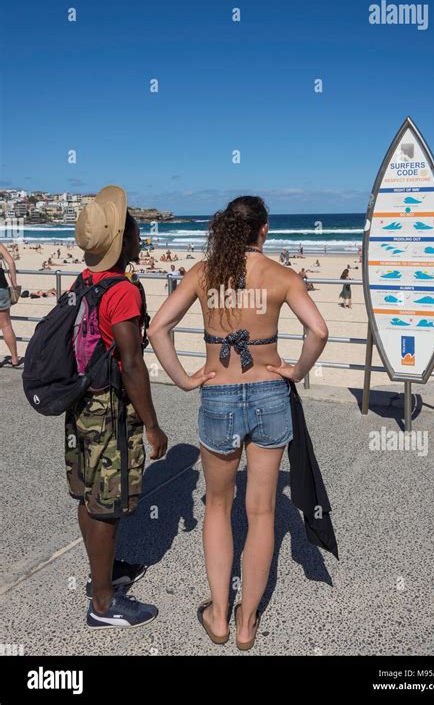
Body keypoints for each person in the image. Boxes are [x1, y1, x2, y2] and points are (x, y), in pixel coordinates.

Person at [148, 195, 328, 650]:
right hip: (269, 393)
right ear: (263, 230)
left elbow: (157, 328)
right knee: (262, 512)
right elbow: (319, 331)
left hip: (219, 393)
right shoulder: (282, 276)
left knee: (217, 506)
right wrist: (298, 371)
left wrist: (185, 380)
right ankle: (248, 623)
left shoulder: (205, 273)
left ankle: (219, 617)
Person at [70, 185, 168, 629]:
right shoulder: (123, 291)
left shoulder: (86, 279)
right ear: (121, 240)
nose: (140, 232)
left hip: (81, 406)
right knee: (107, 506)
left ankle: (101, 577)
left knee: (89, 495)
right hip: (109, 411)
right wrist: (152, 425)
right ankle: (104, 605)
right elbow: (131, 363)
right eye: (134, 228)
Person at [0, 242, 20, 367]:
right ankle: (14, 358)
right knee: (6, 325)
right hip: (1, 288)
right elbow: (11, 262)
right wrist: (14, 282)